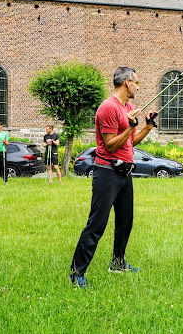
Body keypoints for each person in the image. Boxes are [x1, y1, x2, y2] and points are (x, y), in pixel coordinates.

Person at [69, 67, 157, 288]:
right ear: (127, 82)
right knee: (97, 224)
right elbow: (109, 144)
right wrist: (130, 127)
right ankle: (77, 273)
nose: (138, 86)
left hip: (124, 173)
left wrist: (146, 127)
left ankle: (118, 263)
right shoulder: (108, 108)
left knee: (125, 222)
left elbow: (131, 141)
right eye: (137, 82)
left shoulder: (128, 108)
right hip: (106, 172)